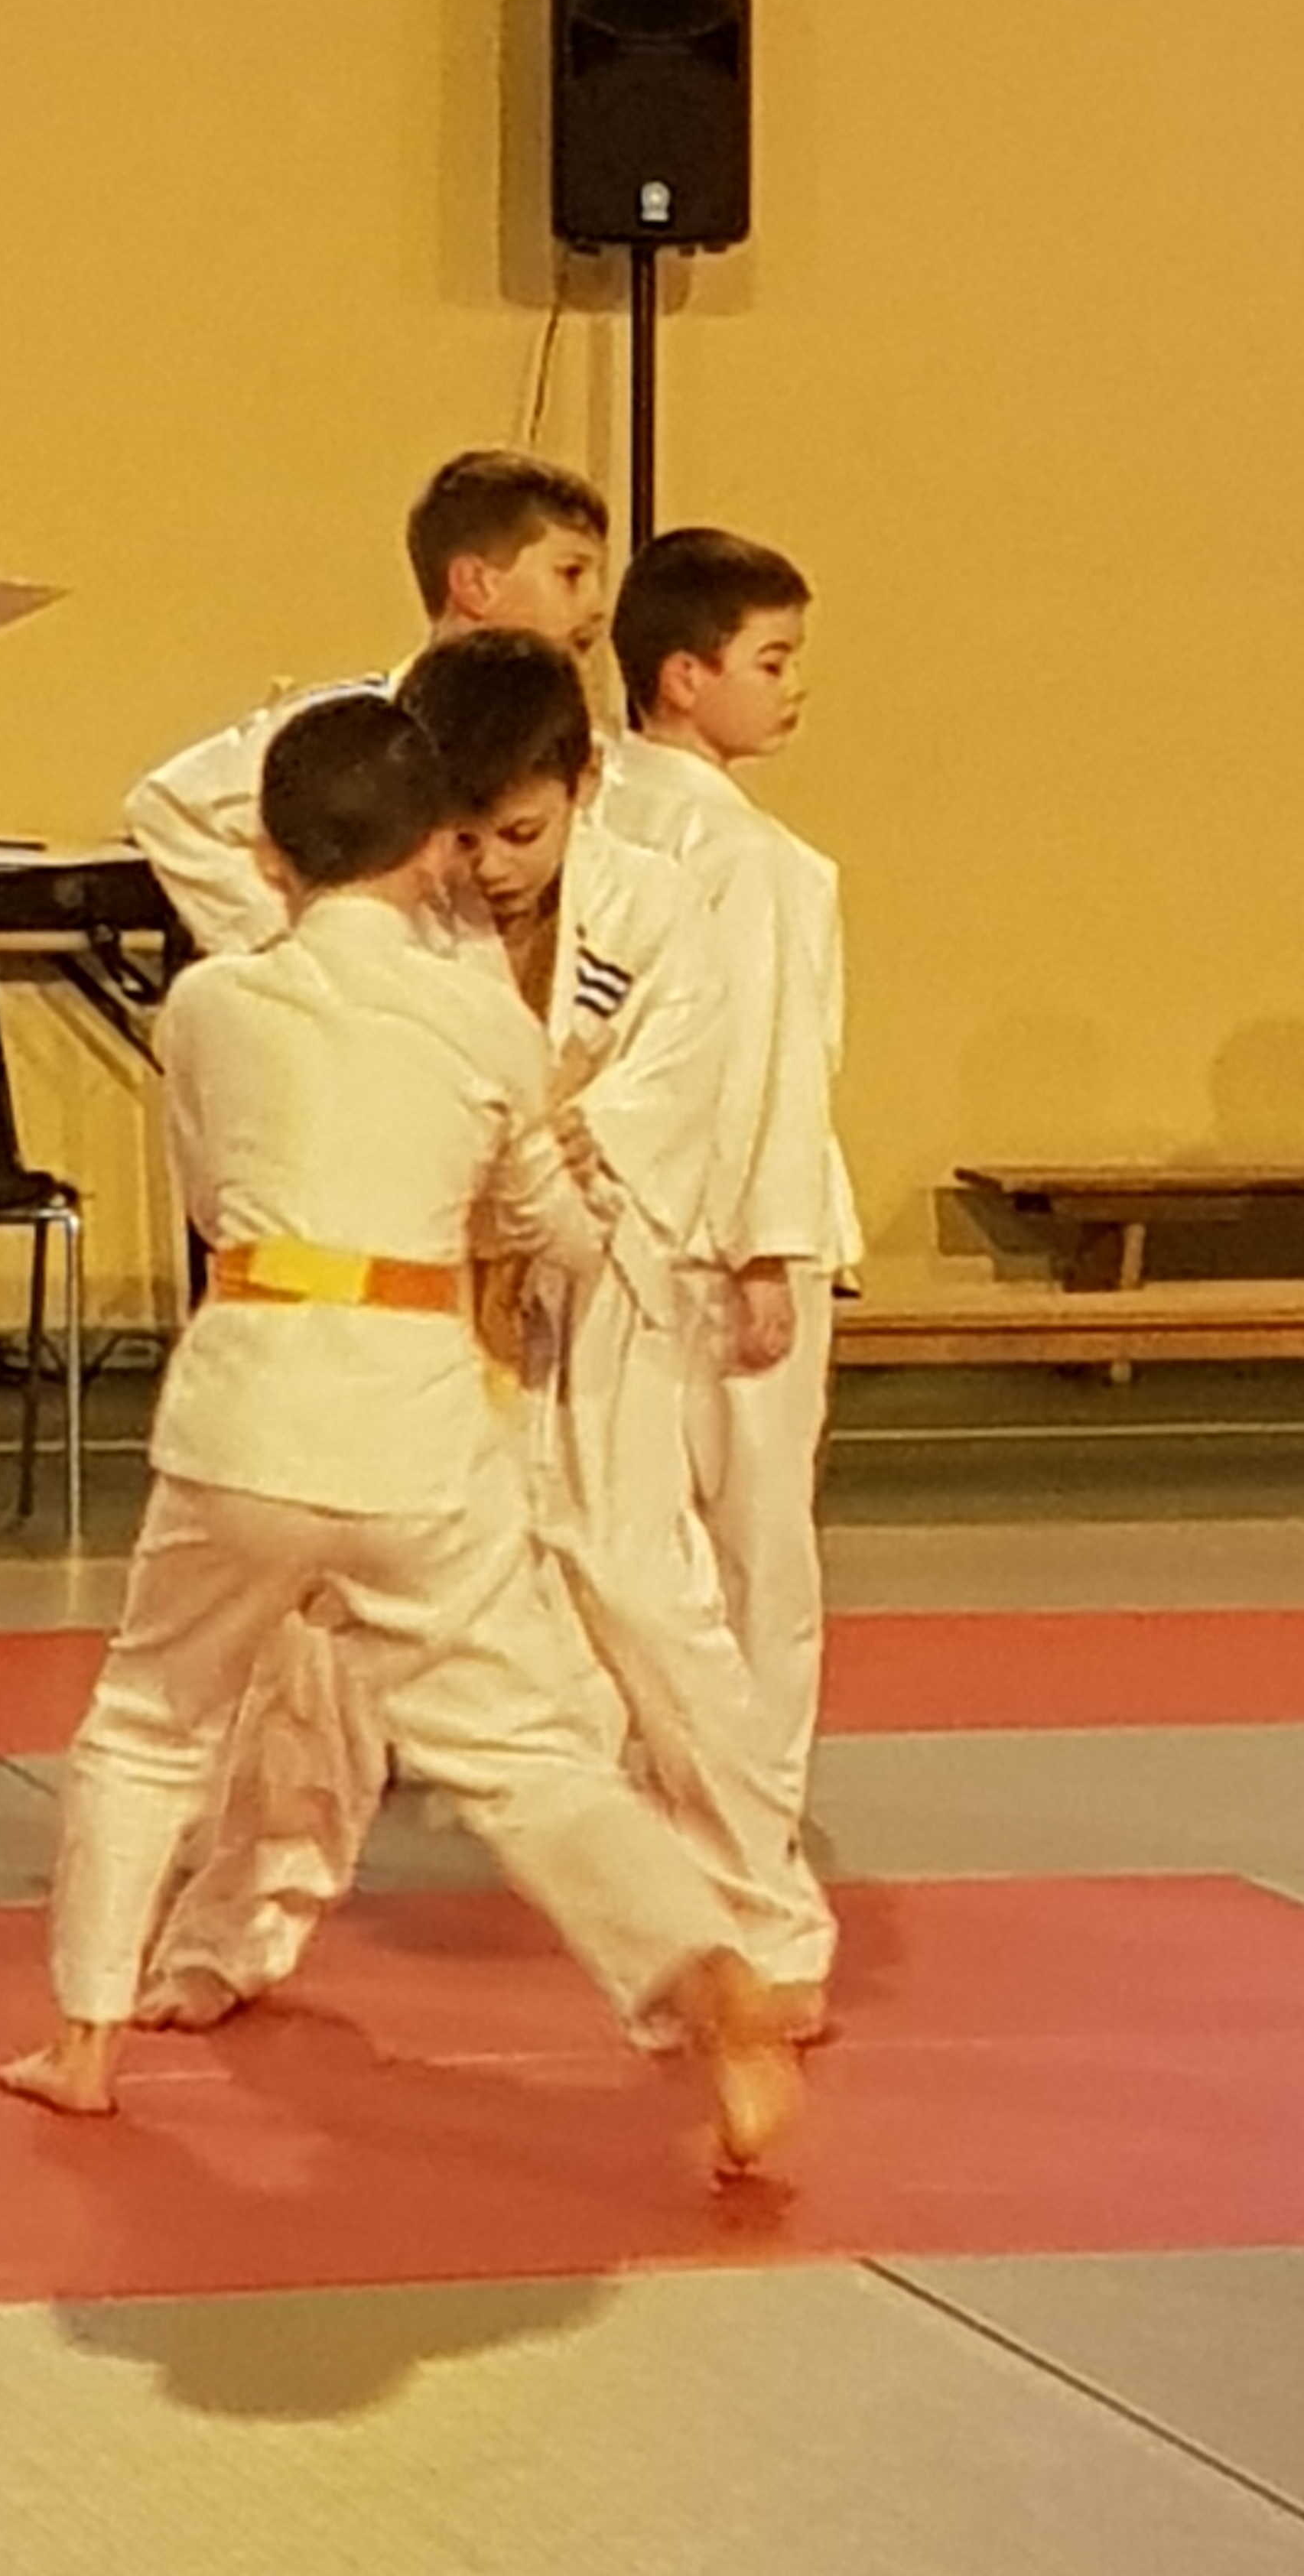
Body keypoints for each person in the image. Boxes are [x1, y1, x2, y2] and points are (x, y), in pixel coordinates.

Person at [0, 695, 800, 2171]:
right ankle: (703, 1975)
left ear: (266, 852)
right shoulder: (486, 1023)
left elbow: (210, 1198)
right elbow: (549, 1229)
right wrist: (529, 1183)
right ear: (436, 849)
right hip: (413, 1416)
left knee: (151, 1718)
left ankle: (85, 2037)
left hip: (251, 1396)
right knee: (527, 1751)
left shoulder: (211, 1005)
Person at [143, 632, 837, 2030]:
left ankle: (766, 1927)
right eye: (461, 835)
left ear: (585, 788)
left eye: (521, 832)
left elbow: (679, 1092)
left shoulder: (664, 910)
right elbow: (190, 812)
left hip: (594, 1297)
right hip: (418, 1312)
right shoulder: (390, 914)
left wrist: (564, 1147)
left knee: (649, 1608)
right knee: (319, 1633)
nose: (491, 866)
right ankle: (237, 1925)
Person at [598, 530, 860, 1836]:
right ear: (683, 675)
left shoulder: (591, 810)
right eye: (771, 659)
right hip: (735, 1227)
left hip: (617, 1226)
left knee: (637, 1531)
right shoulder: (752, 860)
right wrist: (769, 1246)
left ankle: (646, 1784)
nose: (793, 685)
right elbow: (764, 1061)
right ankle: (750, 1804)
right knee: (759, 1541)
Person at [124, 447, 610, 957]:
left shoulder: (590, 756)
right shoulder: (358, 734)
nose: (597, 606)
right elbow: (167, 808)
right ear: (475, 584)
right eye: (571, 574)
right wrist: (297, 950)